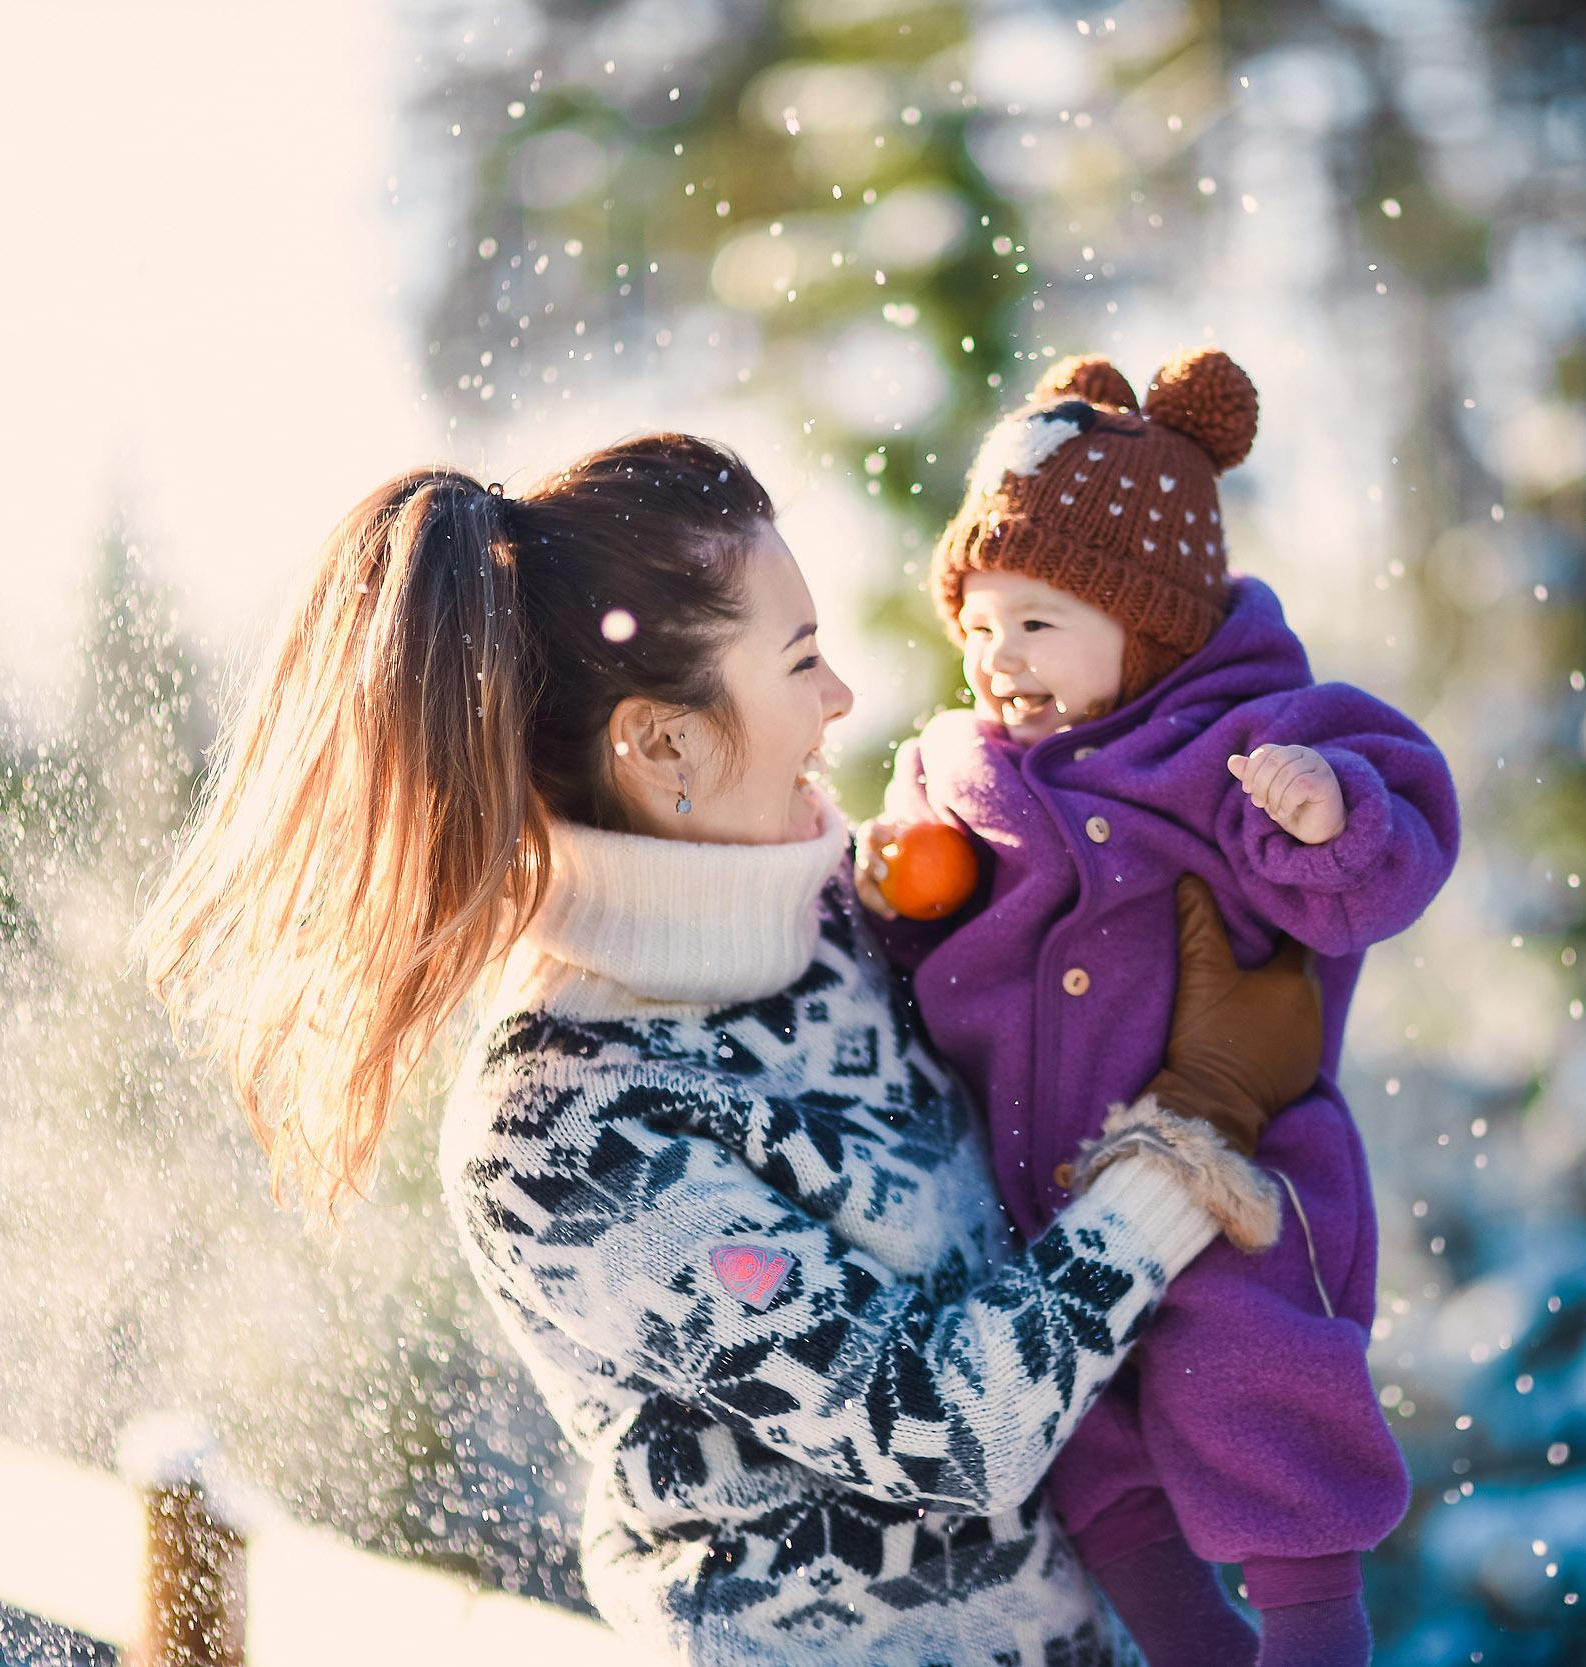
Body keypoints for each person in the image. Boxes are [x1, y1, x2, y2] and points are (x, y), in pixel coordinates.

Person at [137, 433, 1326, 1664]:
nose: (840, 699)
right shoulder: (565, 1124)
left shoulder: (847, 924)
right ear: (664, 745)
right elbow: (948, 1432)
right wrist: (1193, 1125)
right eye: (800, 659)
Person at [855, 351, 1462, 1666]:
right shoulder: (955, 768)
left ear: (1151, 623)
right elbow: (898, 918)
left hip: (1230, 1169)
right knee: (1083, 1442)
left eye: (1038, 622)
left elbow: (1393, 841)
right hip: (1035, 1194)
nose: (997, 659)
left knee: (1254, 1386)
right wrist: (885, 880)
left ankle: (1309, 1635)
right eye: (979, 622)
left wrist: (1326, 814)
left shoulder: (1239, 737)